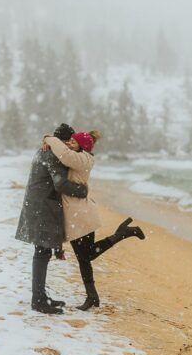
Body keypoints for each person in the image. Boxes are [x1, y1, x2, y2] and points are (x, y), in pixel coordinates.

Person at [43, 130, 145, 310]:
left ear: (82, 146)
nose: (69, 144)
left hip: (81, 216)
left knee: (86, 256)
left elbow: (65, 156)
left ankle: (122, 234)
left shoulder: (84, 159)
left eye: (73, 142)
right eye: (70, 141)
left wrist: (49, 138)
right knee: (85, 257)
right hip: (77, 216)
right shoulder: (80, 156)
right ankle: (92, 297)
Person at [15, 123, 90, 314]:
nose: (70, 146)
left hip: (39, 205)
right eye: (70, 141)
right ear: (63, 141)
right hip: (42, 207)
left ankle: (40, 296)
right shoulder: (53, 154)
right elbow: (60, 184)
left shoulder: (46, 150)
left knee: (43, 252)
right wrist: (83, 190)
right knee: (42, 252)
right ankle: (38, 300)